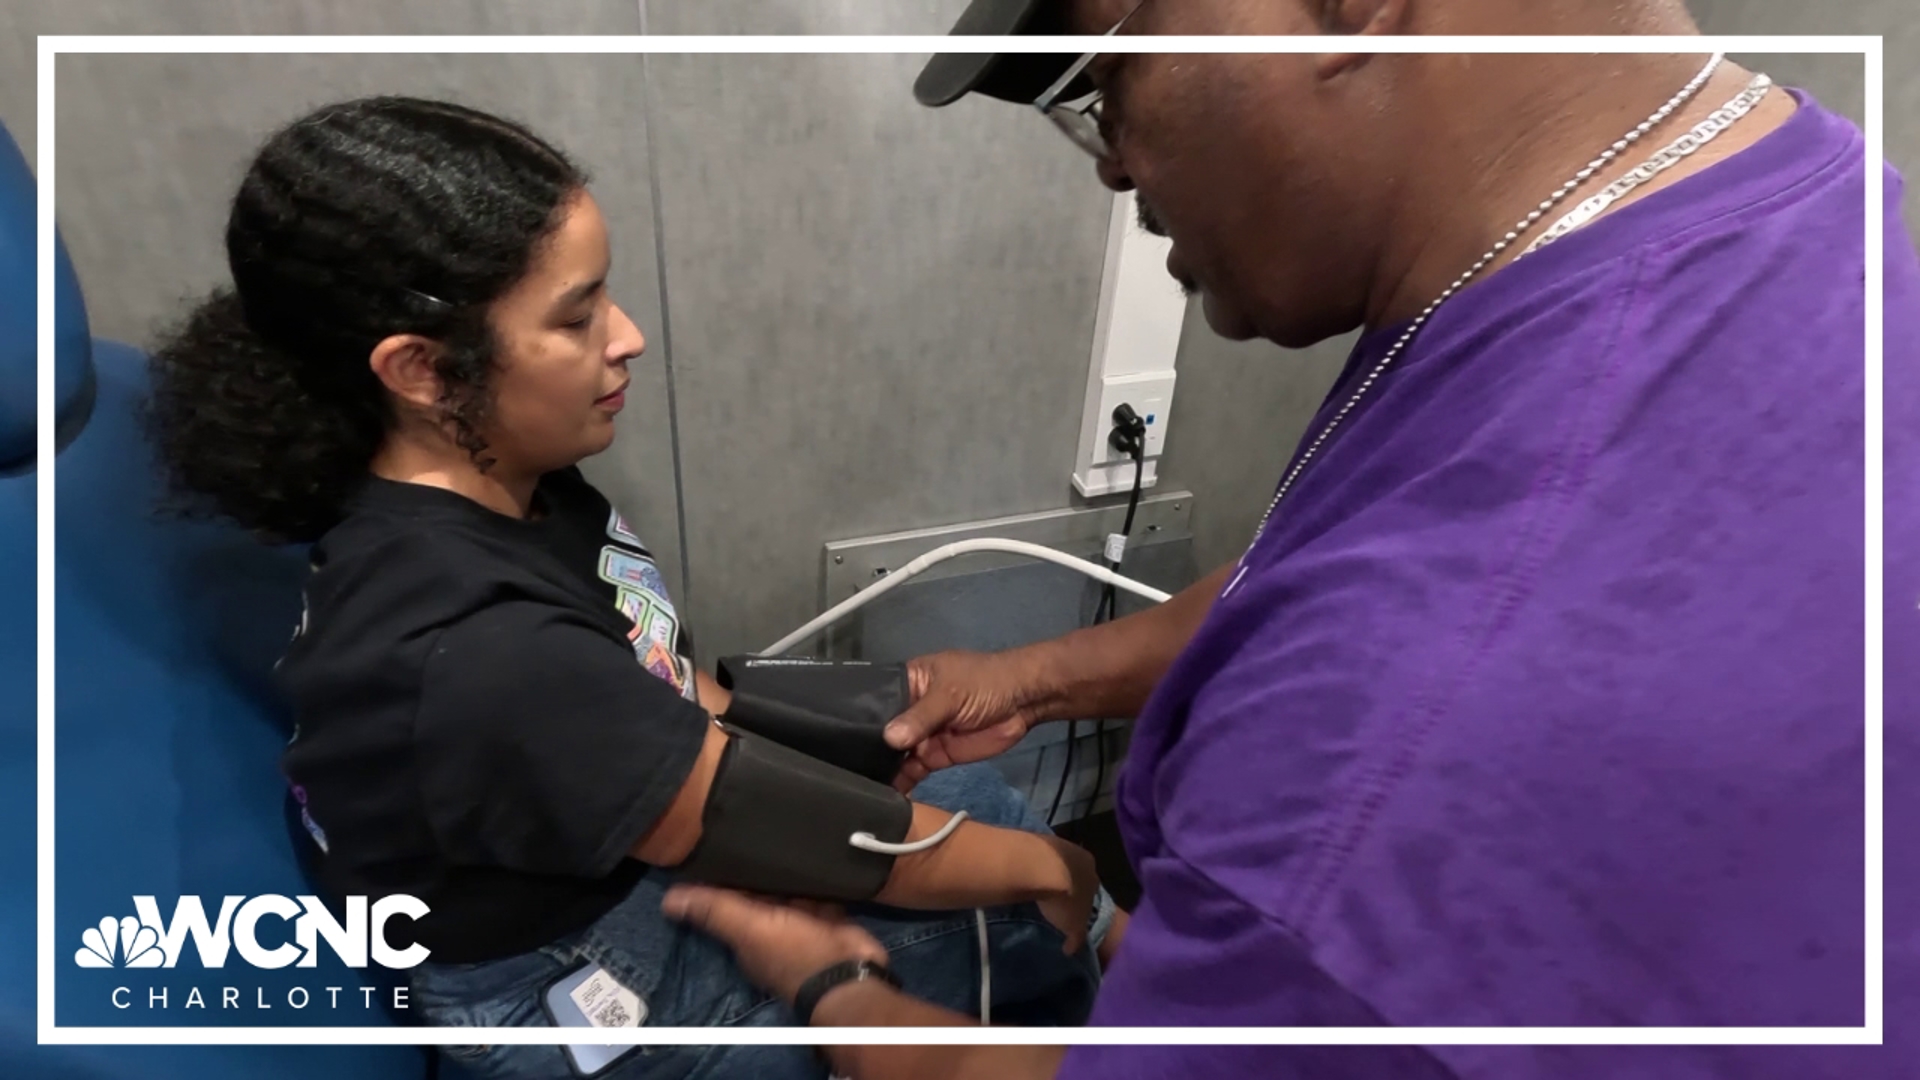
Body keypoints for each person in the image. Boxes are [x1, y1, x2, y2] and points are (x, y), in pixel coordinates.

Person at [658, 1, 1920, 1078]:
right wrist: (1039, 679)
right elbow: (1388, 552)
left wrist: (835, 991)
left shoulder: (1365, 809)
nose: (1109, 162)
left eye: (1106, 75)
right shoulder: (1785, 197)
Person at [143, 96, 1123, 1080]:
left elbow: (658, 689)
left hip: (600, 844)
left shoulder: (513, 479)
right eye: (576, 317)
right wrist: (1057, 871)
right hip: (560, 979)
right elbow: (738, 809)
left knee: (974, 798)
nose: (628, 336)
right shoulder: (473, 643)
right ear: (424, 370)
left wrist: (891, 716)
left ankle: (1119, 975)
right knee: (980, 914)